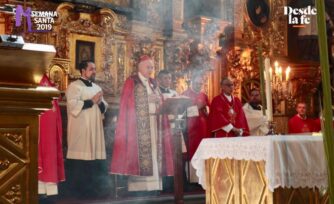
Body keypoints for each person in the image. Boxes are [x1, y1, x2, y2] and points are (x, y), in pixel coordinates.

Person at [110, 55, 174, 192]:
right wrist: (146, 99)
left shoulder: (153, 83)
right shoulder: (132, 81)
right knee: (141, 154)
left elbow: (159, 99)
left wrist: (158, 99)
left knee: (154, 153)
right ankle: (139, 187)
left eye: (152, 67)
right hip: (137, 127)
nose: (151, 70)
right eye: (148, 67)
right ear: (140, 67)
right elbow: (127, 102)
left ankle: (154, 186)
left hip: (154, 123)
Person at [65, 60, 108, 197]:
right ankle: (78, 192)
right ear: (83, 70)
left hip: (94, 128)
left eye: (95, 69)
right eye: (91, 69)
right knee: (81, 161)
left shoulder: (96, 87)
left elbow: (104, 108)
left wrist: (100, 103)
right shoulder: (74, 86)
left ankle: (93, 191)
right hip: (81, 128)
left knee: (94, 160)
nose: (94, 71)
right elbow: (73, 106)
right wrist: (92, 101)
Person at [182, 74, 210, 183]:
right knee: (193, 151)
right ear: (192, 83)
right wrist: (197, 108)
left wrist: (206, 108)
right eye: (197, 83)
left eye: (200, 84)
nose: (199, 85)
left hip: (204, 128)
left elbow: (209, 109)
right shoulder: (185, 95)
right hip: (191, 129)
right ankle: (193, 179)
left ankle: (203, 178)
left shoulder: (204, 95)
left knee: (203, 151)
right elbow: (182, 113)